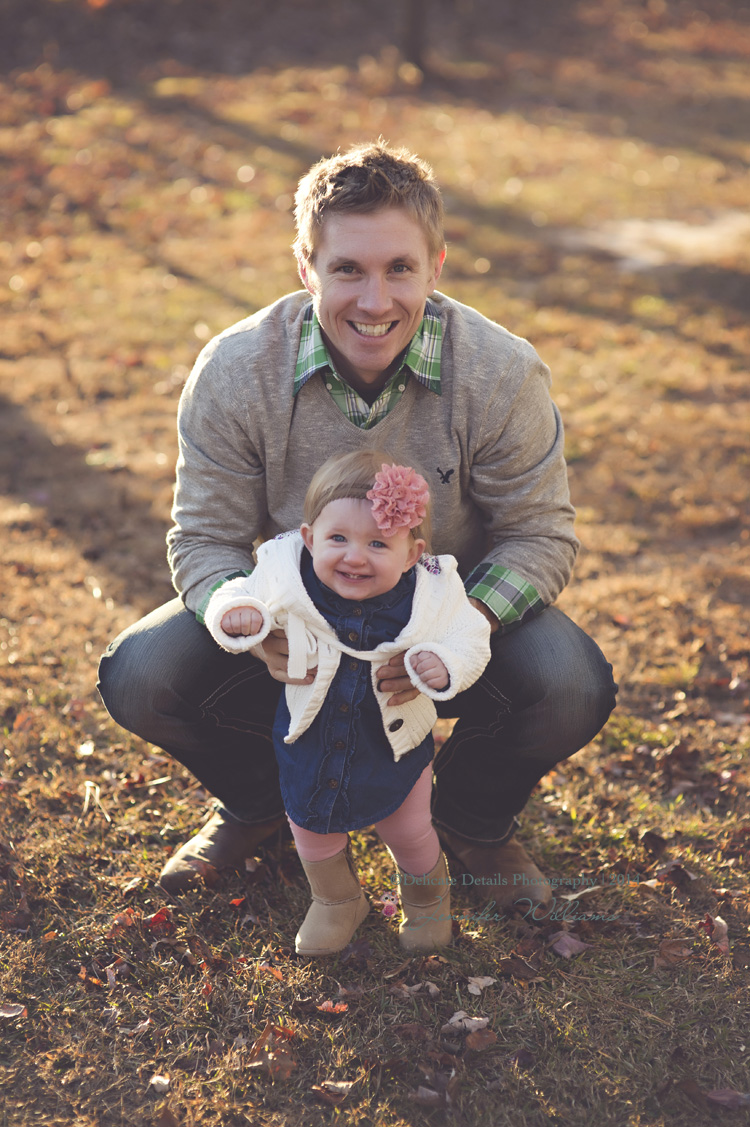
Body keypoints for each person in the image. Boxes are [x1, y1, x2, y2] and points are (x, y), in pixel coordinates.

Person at [97, 140, 617, 909]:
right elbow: (203, 539)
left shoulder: (501, 372)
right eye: (348, 270)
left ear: (436, 265)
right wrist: (242, 619)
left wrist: (460, 625)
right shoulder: (237, 370)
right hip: (297, 616)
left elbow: (541, 534)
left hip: (451, 610)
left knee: (572, 683)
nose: (375, 301)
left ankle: (468, 817)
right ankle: (261, 806)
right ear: (307, 266)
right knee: (140, 673)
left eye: (399, 268)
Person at [203, 451, 491, 954]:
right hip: (310, 736)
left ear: (410, 554)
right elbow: (238, 591)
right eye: (338, 539)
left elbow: (470, 636)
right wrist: (238, 615)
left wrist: (444, 662)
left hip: (393, 741)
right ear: (310, 538)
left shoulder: (434, 589)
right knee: (311, 825)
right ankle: (336, 900)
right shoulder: (285, 570)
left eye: (378, 543)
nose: (354, 557)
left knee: (408, 828)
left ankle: (427, 904)